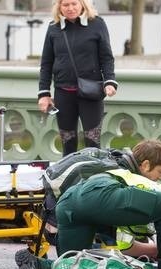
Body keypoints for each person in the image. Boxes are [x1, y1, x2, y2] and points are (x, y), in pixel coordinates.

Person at [17, 139, 161, 269]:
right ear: (145, 165)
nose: (159, 178)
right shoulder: (134, 178)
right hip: (99, 196)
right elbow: (123, 242)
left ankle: (39, 267)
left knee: (72, 267)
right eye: (160, 172)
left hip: (68, 203)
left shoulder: (109, 161)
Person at [37, 0, 118, 157]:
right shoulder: (53, 28)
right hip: (63, 93)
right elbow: (46, 63)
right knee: (68, 143)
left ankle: (93, 178)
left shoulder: (97, 24)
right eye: (65, 5)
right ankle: (69, 179)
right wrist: (44, 93)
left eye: (74, 3)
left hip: (91, 93)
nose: (70, 8)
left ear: (83, 4)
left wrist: (110, 81)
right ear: (59, 7)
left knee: (92, 142)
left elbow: (107, 57)